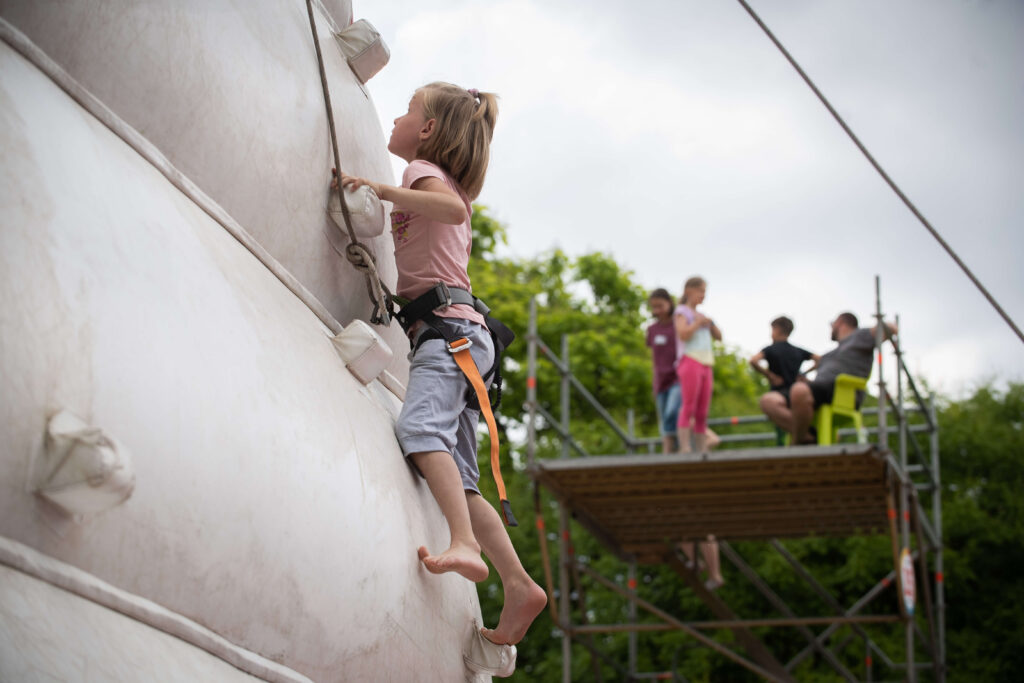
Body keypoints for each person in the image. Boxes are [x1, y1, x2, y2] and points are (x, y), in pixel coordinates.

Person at [336, 82, 546, 647]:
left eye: (408, 112)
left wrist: (380, 189)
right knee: (464, 478)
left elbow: (452, 209)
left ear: (427, 131)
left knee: (419, 429)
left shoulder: (420, 171)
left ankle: (465, 544)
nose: (398, 120)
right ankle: (519, 582)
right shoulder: (429, 176)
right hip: (461, 337)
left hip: (448, 338)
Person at [760, 312, 897, 445]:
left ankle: (797, 443)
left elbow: (891, 328)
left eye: (833, 323)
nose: (831, 327)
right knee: (769, 400)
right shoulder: (831, 352)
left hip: (842, 392)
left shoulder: (861, 336)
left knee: (799, 390)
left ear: (840, 323)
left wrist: (878, 328)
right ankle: (809, 436)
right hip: (818, 390)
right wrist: (806, 382)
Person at [673, 276, 724, 589]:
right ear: (691, 290)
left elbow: (718, 336)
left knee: (703, 410)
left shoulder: (703, 316)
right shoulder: (683, 311)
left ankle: (700, 446)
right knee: (689, 406)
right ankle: (684, 446)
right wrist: (699, 322)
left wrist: (711, 324)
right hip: (691, 360)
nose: (704, 295)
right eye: (701, 290)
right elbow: (683, 333)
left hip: (706, 361)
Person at [646, 289, 720, 454]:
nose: (657, 310)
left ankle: (689, 445)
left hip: (678, 377)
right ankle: (668, 453)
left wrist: (704, 322)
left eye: (660, 306)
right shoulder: (652, 329)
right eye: (654, 307)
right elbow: (654, 358)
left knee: (676, 410)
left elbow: (689, 338)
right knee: (666, 417)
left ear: (669, 304)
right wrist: (654, 381)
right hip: (661, 379)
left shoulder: (679, 320)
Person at [749, 316, 820, 402]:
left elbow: (753, 361)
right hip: (795, 396)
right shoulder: (798, 351)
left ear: (777, 329)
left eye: (772, 330)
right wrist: (804, 374)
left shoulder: (771, 349)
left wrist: (771, 376)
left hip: (777, 395)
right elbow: (820, 359)